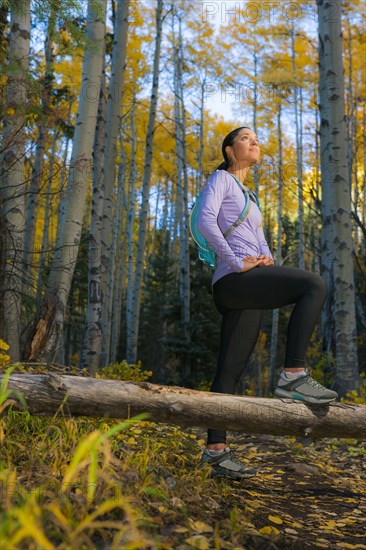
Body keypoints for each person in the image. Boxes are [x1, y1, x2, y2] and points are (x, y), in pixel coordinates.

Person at [196, 126, 338, 480]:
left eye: (255, 137)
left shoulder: (249, 195)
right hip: (234, 281)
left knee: (229, 369)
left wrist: (265, 258)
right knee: (314, 285)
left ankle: (215, 452)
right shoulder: (221, 180)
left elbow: (258, 241)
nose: (254, 141)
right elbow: (204, 221)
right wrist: (235, 261)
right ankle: (293, 375)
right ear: (230, 150)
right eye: (245, 137)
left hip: (249, 284)